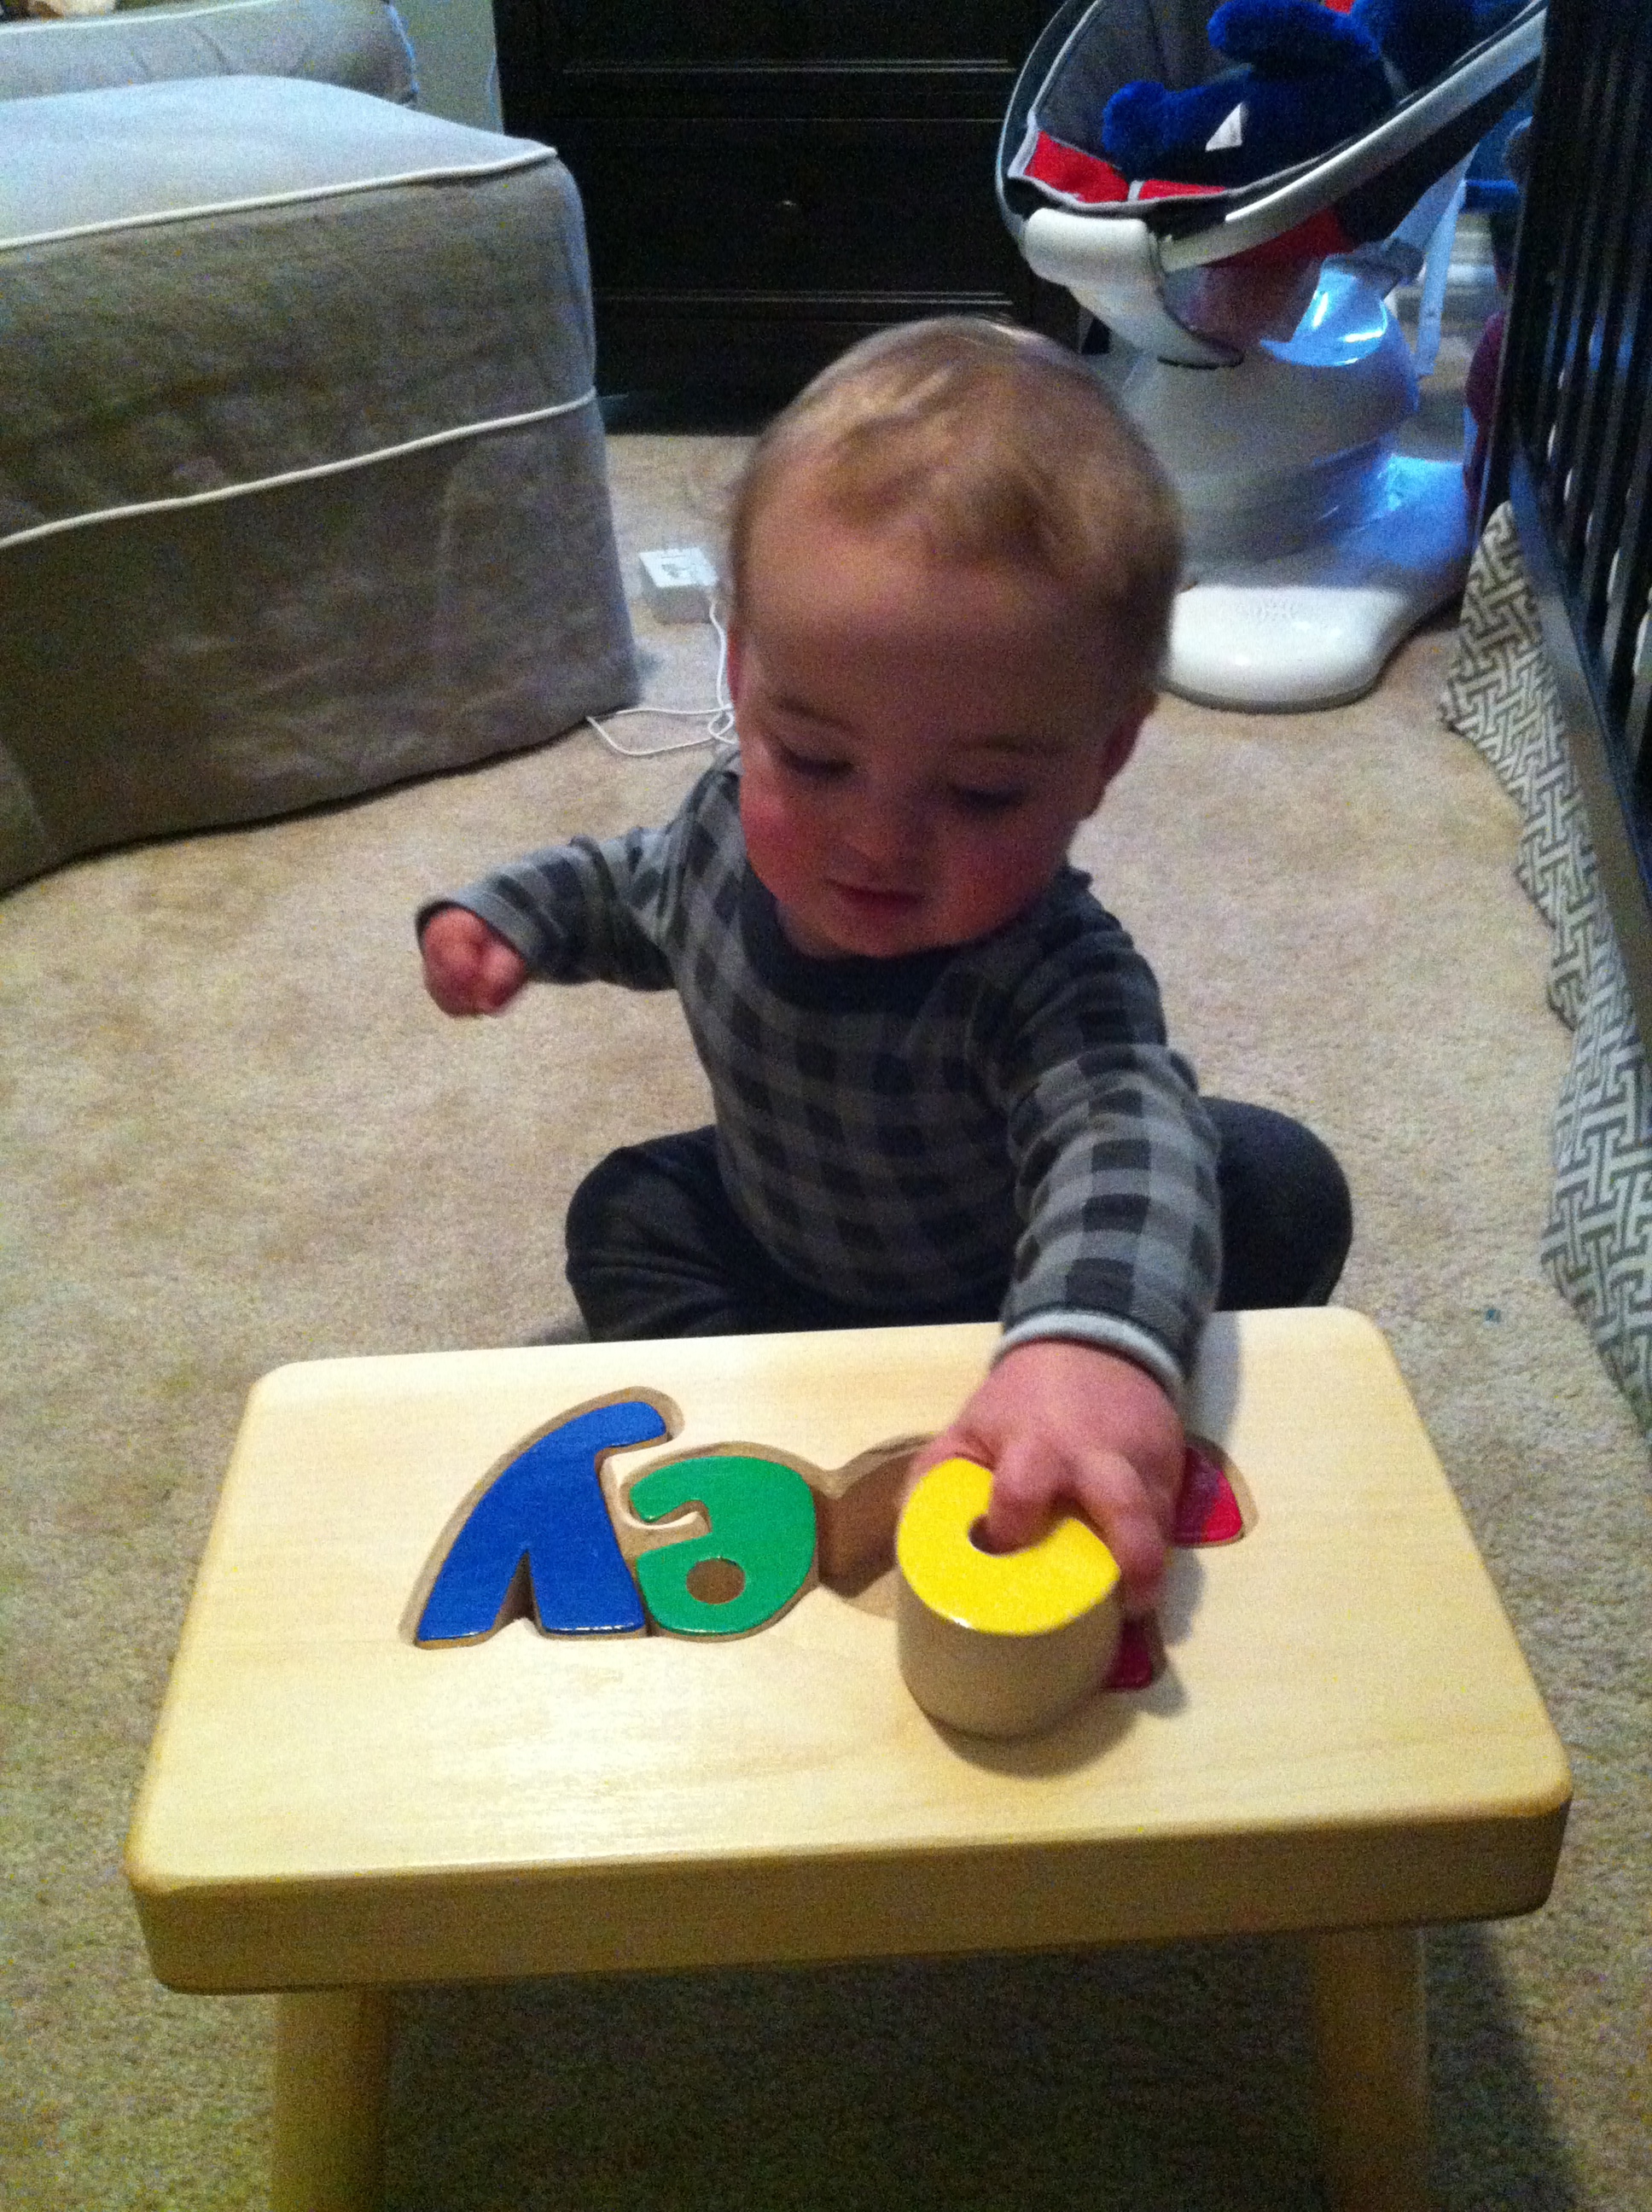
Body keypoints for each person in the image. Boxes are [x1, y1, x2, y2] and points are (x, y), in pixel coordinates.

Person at [418, 317, 1351, 1618]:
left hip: (1001, 1278)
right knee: (624, 1214)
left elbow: (1120, 1131)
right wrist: (511, 915)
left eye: (980, 792)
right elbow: (630, 886)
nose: (877, 839)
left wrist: (1086, 1340)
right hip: (780, 1245)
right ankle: (780, 1431)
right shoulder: (719, 834)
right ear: (743, 677)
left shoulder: (1053, 970)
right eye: (813, 760)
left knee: (1270, 1182)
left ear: (1104, 758)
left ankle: (1056, 1398)